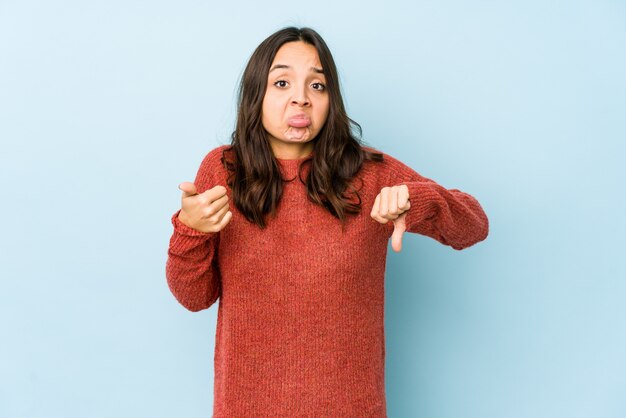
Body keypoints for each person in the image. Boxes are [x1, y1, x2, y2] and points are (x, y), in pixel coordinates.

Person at [166, 26, 489, 417]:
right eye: (282, 82)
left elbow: (474, 225)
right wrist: (191, 229)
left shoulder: (369, 174)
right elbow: (193, 297)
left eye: (317, 86)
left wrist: (418, 201)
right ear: (256, 95)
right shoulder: (223, 170)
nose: (301, 98)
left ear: (330, 98)